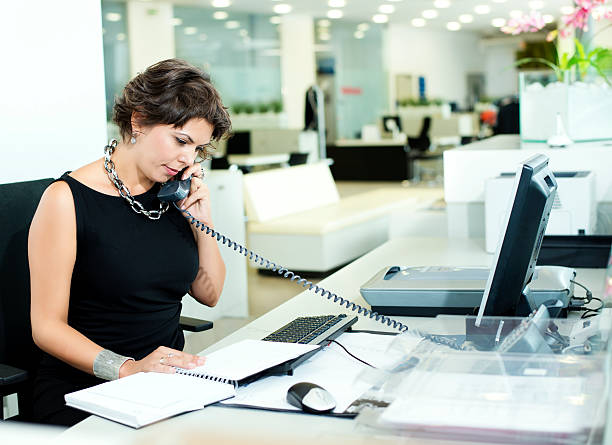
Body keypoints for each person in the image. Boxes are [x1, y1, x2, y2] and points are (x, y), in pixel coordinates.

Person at [28, 59, 231, 426]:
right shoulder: (66, 199)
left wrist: (203, 222)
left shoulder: (172, 194)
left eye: (198, 149)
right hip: (85, 392)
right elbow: (45, 326)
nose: (188, 158)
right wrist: (127, 369)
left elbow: (210, 294)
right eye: (181, 141)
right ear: (138, 121)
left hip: (163, 390)